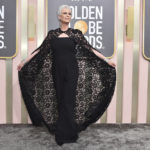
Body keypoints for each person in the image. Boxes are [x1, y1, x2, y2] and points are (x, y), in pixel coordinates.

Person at [17, 5, 116, 146]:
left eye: (69, 13)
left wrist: (107, 60)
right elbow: (39, 51)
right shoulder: (52, 34)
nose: (68, 15)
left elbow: (91, 50)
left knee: (69, 100)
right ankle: (62, 131)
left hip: (72, 71)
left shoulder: (76, 34)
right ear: (59, 16)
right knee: (60, 100)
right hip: (56, 70)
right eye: (65, 13)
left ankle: (68, 133)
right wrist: (23, 62)